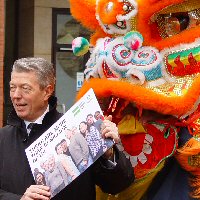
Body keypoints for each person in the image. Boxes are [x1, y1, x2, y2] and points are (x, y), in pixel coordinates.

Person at [0, 57, 134, 200]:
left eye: (25, 88)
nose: (16, 95)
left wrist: (108, 152)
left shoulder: (77, 130)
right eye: (12, 87)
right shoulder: (3, 138)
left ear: (47, 91)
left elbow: (118, 185)